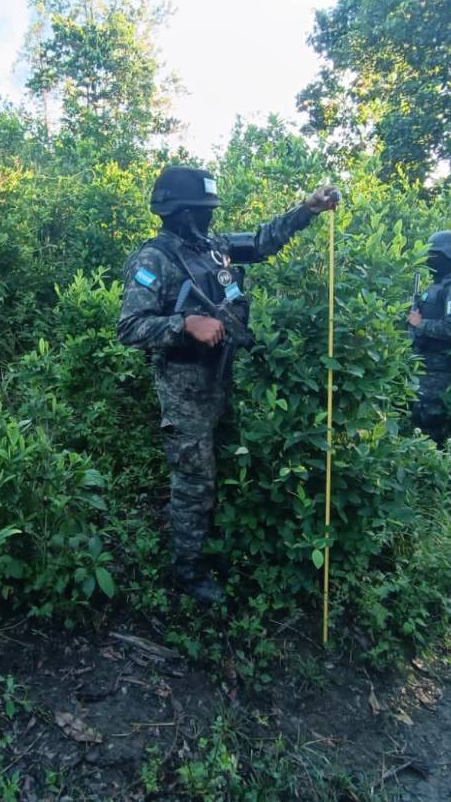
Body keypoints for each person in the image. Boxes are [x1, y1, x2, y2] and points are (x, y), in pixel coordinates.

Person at [118, 165, 339, 602]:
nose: (209, 218)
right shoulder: (154, 259)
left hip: (221, 376)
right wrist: (186, 323)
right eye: (202, 211)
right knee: (194, 480)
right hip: (184, 389)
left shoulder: (212, 247)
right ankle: (187, 570)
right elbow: (129, 327)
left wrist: (308, 209)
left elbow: (260, 242)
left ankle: (209, 543)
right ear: (180, 211)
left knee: (218, 467)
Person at [407, 230, 451, 443]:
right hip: (424, 366)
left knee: (431, 426)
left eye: (434, 255)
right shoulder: (438, 284)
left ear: (449, 255)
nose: (429, 259)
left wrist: (420, 324)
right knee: (416, 420)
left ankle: (431, 474)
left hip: (439, 370)